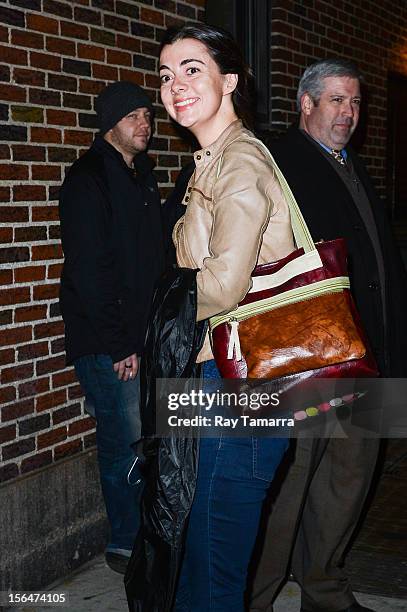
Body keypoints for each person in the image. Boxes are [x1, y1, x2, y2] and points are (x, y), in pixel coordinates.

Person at [249, 59, 407, 612]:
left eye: (356, 103)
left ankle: (324, 590)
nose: (348, 113)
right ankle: (256, 596)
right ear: (306, 104)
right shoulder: (277, 162)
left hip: (369, 354)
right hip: (312, 362)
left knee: (347, 484)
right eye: (336, 100)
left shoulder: (353, 164)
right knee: (288, 489)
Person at [150, 22, 297, 611]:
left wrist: (155, 311)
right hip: (219, 374)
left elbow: (223, 284)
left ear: (229, 80)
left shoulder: (239, 162)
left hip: (241, 383)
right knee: (195, 553)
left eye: (192, 70)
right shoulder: (210, 162)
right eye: (165, 75)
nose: (175, 85)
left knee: (211, 572)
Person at [58, 81, 165, 574]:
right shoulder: (87, 179)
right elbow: (89, 269)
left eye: (148, 115)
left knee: (146, 439)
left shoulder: (142, 174)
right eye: (135, 116)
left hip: (141, 336)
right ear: (111, 124)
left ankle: (146, 533)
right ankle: (125, 542)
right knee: (124, 440)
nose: (146, 124)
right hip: (108, 342)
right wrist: (120, 343)